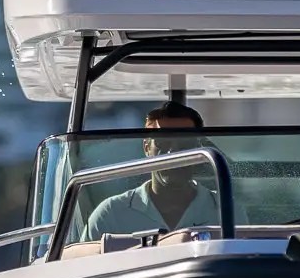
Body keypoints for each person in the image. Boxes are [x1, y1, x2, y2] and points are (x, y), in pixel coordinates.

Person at [78, 102, 245, 240]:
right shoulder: (110, 215)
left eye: (185, 144)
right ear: (146, 147)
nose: (173, 153)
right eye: (163, 142)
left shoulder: (228, 210)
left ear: (199, 148)